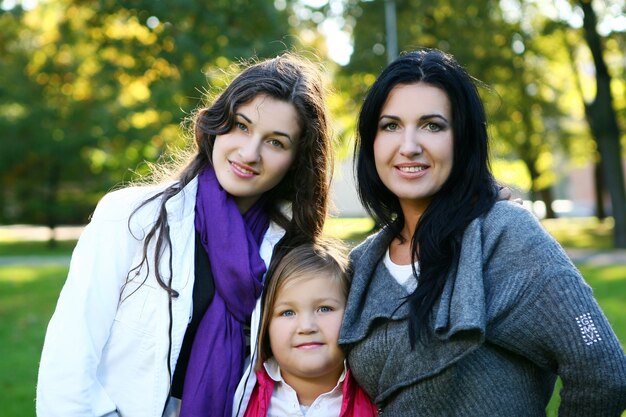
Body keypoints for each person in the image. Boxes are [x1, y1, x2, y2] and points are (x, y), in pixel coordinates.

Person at [36, 53, 334, 417]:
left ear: (296, 159)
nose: (249, 152)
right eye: (241, 126)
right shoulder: (131, 217)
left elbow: (294, 380)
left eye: (276, 142)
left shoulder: (288, 251)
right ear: (218, 123)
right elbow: (69, 354)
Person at [339, 48, 626, 416]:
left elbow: (603, 371)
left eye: (433, 125)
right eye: (391, 125)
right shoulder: (361, 264)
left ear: (463, 138)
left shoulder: (506, 235)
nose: (408, 147)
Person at [241, 241, 378, 417]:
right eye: (288, 312)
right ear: (266, 324)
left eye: (324, 309)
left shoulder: (377, 398)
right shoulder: (241, 392)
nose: (306, 327)